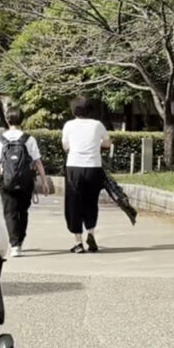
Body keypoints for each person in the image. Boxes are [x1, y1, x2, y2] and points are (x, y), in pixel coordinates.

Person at [0, 107, 48, 258]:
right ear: (22, 120)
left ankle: (14, 244)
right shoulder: (29, 139)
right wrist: (44, 181)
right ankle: (20, 241)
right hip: (26, 181)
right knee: (23, 211)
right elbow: (37, 162)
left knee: (10, 212)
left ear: (7, 120)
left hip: (6, 181)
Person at [62, 96, 111, 253]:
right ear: (90, 110)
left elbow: (65, 146)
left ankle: (78, 242)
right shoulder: (98, 125)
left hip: (74, 167)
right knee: (91, 202)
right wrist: (98, 144)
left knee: (74, 203)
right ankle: (91, 233)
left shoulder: (69, 125)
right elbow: (107, 143)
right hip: (93, 167)